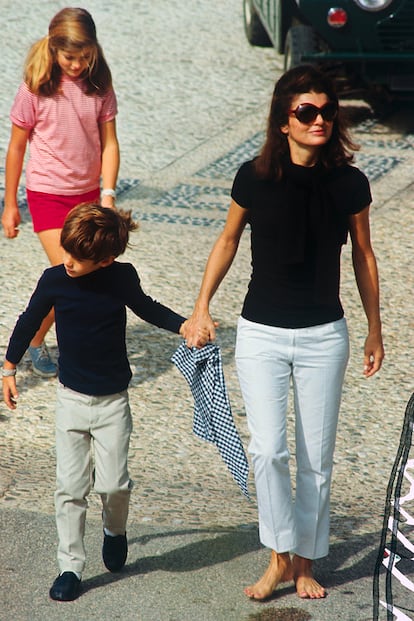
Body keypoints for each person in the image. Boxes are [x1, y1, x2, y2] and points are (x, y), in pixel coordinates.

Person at [184, 65, 384, 601]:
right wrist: (202, 306)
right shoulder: (253, 178)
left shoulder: (350, 183)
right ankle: (276, 555)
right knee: (268, 450)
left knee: (316, 458)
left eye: (326, 111)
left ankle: (304, 561)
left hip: (325, 335)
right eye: (306, 112)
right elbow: (227, 241)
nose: (319, 119)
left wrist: (374, 329)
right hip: (261, 333)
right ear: (283, 122)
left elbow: (364, 256)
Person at [2, 203, 203, 602]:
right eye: (66, 252)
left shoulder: (121, 278)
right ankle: (70, 566)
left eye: (78, 258)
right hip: (70, 399)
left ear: (106, 260)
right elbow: (28, 320)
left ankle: (114, 529)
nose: (68, 262)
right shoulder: (54, 280)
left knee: (115, 485)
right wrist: (8, 368)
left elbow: (146, 307)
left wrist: (184, 324)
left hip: (112, 402)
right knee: (70, 487)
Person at [1, 7, 120, 378]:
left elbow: (110, 144)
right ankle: (53, 350)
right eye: (70, 57)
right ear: (54, 50)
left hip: (86, 196)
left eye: (85, 57)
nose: (78, 65)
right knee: (70, 273)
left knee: (82, 274)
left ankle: (37, 339)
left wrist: (109, 194)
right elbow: (17, 148)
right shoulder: (34, 87)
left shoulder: (99, 84)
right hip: (47, 195)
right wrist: (10, 205)